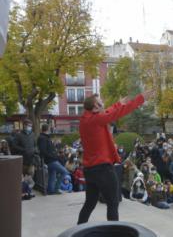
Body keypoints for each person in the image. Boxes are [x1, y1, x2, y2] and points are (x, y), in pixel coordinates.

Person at [77, 90, 155, 224]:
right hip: (103, 169)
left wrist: (118, 103)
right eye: (100, 101)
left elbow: (106, 112)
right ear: (95, 106)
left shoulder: (86, 119)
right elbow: (117, 113)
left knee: (90, 203)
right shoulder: (97, 120)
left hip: (90, 170)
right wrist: (141, 98)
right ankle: (114, 235)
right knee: (113, 203)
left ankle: (78, 228)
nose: (103, 103)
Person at [37, 124, 69, 194]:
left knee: (52, 175)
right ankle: (56, 189)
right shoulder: (43, 138)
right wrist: (53, 156)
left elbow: (47, 149)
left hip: (51, 159)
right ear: (48, 129)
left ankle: (50, 190)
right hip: (51, 160)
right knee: (64, 172)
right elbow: (43, 151)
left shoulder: (45, 137)